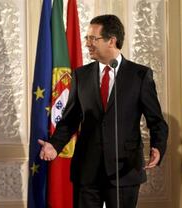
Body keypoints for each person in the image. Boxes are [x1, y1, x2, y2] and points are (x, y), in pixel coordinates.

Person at [38, 14, 168, 208]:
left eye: (93, 38)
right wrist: (54, 146)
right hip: (87, 171)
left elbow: (155, 119)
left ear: (112, 41)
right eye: (87, 38)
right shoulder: (81, 75)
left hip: (124, 170)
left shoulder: (139, 75)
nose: (88, 43)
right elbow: (70, 119)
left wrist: (158, 145)